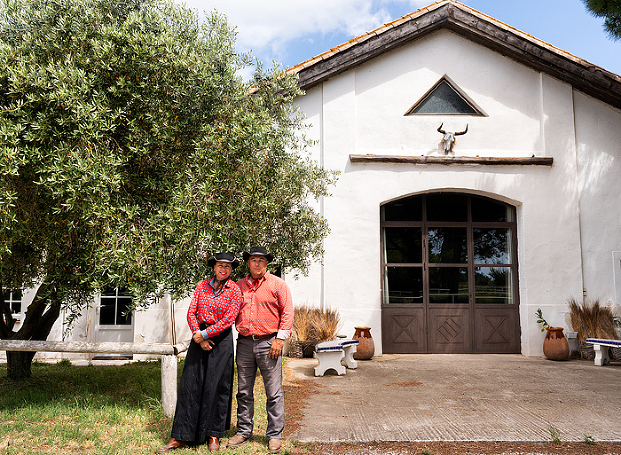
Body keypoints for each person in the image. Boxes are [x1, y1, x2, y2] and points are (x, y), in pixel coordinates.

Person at [157, 252, 242, 453]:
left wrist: (204, 334)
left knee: (217, 386)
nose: (224, 269)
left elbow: (229, 319)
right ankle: (181, 436)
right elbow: (191, 311)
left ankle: (213, 434)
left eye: (228, 267)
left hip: (221, 341)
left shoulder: (235, 290)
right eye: (220, 265)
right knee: (191, 384)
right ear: (214, 267)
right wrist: (198, 335)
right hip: (198, 338)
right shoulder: (201, 285)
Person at [227, 246, 294, 454]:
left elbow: (288, 312)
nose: (257, 263)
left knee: (273, 392)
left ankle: (274, 435)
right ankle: (244, 431)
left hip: (269, 343)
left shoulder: (278, 285)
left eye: (261, 260)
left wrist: (280, 339)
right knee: (244, 391)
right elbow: (229, 310)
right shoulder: (238, 286)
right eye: (254, 260)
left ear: (267, 263)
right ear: (248, 263)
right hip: (245, 343)